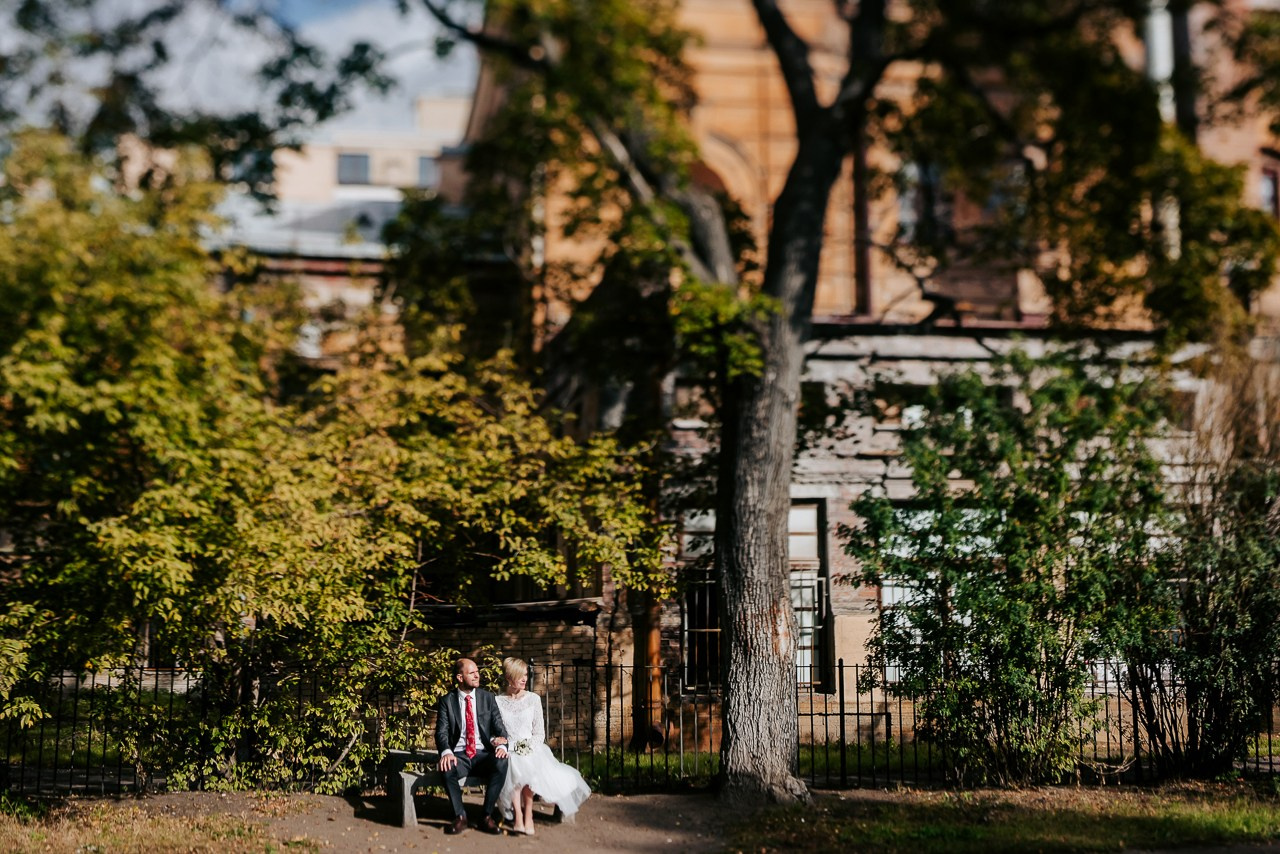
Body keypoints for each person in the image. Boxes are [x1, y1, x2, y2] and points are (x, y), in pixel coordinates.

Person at [495, 657, 591, 834]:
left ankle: (528, 814)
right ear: (509, 677)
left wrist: (527, 747)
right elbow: (495, 730)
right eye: (520, 675)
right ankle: (517, 815)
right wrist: (499, 742)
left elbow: (539, 733)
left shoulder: (533, 699)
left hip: (531, 747)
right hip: (509, 748)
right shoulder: (498, 701)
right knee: (514, 765)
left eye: (526, 674)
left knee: (527, 765)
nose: (525, 679)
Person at [434, 657, 509, 835]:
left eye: (477, 672)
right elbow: (441, 732)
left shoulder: (488, 698)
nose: (477, 675)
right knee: (446, 767)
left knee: (502, 762)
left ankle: (486, 817)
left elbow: (500, 728)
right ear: (460, 678)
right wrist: (446, 752)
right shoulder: (447, 701)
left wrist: (502, 745)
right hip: (459, 755)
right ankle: (460, 817)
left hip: (483, 754)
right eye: (472, 673)